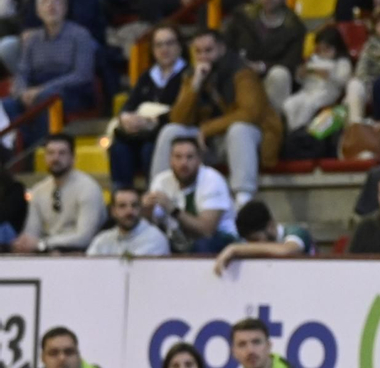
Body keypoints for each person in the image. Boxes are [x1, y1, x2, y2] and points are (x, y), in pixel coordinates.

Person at [150, 28, 284, 205]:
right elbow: (178, 118)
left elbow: (250, 113)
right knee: (171, 131)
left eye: (208, 50)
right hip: (210, 142)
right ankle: (156, 196)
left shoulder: (242, 71)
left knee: (239, 130)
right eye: (198, 52)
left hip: (251, 139)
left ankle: (243, 198)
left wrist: (207, 128)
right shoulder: (192, 74)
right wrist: (195, 85)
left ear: (221, 49)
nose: (203, 57)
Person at [6, 0, 97, 134]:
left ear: (65, 8)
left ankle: (42, 148)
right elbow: (23, 72)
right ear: (37, 11)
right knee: (6, 106)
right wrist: (22, 92)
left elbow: (82, 74)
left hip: (71, 92)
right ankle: (19, 151)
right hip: (37, 91)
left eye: (57, 1)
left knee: (45, 99)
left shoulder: (80, 35)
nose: (51, 5)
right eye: (45, 2)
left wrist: (43, 89)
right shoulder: (33, 39)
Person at [108, 24, 186, 190]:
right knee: (118, 148)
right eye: (159, 45)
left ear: (179, 46)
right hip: (143, 132)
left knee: (149, 148)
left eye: (169, 43)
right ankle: (121, 195)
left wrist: (154, 120)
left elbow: (184, 110)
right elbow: (130, 104)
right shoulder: (148, 75)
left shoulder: (188, 74)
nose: (164, 49)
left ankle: (154, 195)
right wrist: (126, 117)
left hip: (170, 131)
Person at [223, 0, 307, 111]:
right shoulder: (241, 17)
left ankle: (272, 125)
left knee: (280, 73)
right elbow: (225, 48)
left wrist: (262, 66)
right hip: (241, 75)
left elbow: (291, 63)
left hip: (272, 78)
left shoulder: (295, 27)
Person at [9, 135, 105, 253]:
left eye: (62, 153)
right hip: (48, 252)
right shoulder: (39, 190)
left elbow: (85, 237)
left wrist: (42, 244)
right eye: (50, 153)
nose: (55, 158)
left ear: (73, 157)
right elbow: (32, 231)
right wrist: (23, 243)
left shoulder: (88, 188)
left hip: (84, 255)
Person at [145, 135, 237, 254]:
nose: (183, 163)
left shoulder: (212, 180)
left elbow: (206, 231)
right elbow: (151, 223)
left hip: (221, 241)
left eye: (189, 157)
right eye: (178, 157)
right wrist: (145, 209)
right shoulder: (161, 181)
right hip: (179, 241)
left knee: (202, 244)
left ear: (199, 160)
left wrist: (173, 209)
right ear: (170, 160)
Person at [213, 200, 314, 275]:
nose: (252, 246)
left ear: (270, 226)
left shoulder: (296, 232)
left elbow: (287, 250)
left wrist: (235, 248)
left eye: (256, 240)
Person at [283, 25, 352, 132]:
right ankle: (291, 131)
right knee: (289, 104)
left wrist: (328, 75)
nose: (323, 52)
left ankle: (300, 132)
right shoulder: (314, 59)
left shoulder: (342, 62)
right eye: (321, 49)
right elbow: (301, 80)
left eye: (327, 49)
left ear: (336, 47)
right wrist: (301, 74)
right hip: (307, 91)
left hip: (326, 93)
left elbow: (343, 82)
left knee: (308, 106)